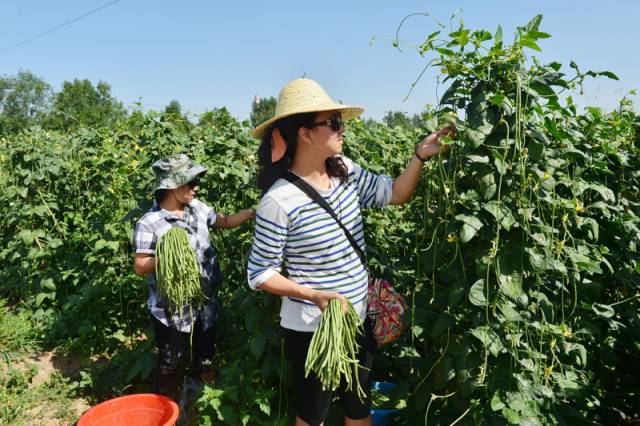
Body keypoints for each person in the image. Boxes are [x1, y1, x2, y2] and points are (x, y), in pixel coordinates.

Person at [246, 78, 453, 426]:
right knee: (313, 415)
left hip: (357, 318)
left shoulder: (346, 173)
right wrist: (313, 295)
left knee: (359, 408)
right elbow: (260, 272)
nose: (343, 129)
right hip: (313, 329)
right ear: (305, 133)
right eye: (334, 123)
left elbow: (395, 194)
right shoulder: (279, 201)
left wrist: (420, 155)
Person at [133, 153, 254, 399]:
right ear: (172, 186)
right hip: (171, 308)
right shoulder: (150, 222)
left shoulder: (197, 208)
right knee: (172, 361)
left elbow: (224, 221)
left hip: (204, 301)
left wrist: (250, 213)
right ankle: (167, 406)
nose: (195, 188)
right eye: (189, 183)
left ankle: (204, 399)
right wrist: (169, 254)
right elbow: (141, 265)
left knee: (205, 353)